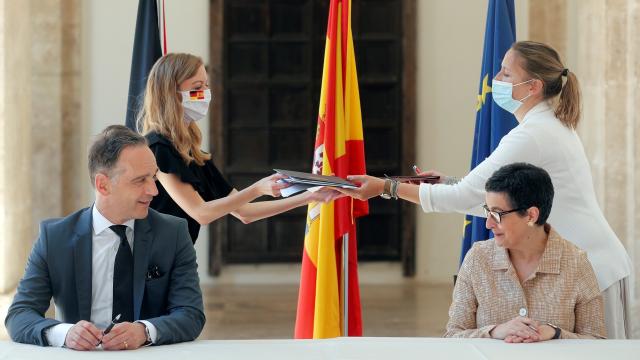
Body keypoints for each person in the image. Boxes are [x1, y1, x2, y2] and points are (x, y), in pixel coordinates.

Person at [336, 41, 632, 338]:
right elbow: (502, 201)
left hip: (590, 267)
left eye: (505, 74)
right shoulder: (547, 125)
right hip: (592, 259)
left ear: (533, 87)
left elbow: (464, 198)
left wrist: (386, 187)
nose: (496, 80)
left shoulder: (532, 135)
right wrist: (449, 182)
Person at [5, 125, 204, 350]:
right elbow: (19, 315)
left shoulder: (173, 233)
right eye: (140, 181)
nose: (153, 191)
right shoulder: (55, 238)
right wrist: (65, 333)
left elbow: (191, 314)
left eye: (153, 177)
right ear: (103, 184)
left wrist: (144, 331)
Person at [138, 53, 337, 243]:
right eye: (198, 87)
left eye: (207, 86)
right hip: (155, 262)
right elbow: (201, 213)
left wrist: (309, 197)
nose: (206, 95)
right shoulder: (157, 147)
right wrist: (258, 188)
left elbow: (245, 212)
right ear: (172, 94)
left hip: (180, 256)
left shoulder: (194, 155)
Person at [445, 163, 605, 341]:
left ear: (531, 216)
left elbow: (597, 340)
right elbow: (453, 336)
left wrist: (556, 333)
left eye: (497, 214)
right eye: (487, 211)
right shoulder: (477, 258)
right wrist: (495, 332)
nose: (488, 224)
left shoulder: (576, 263)